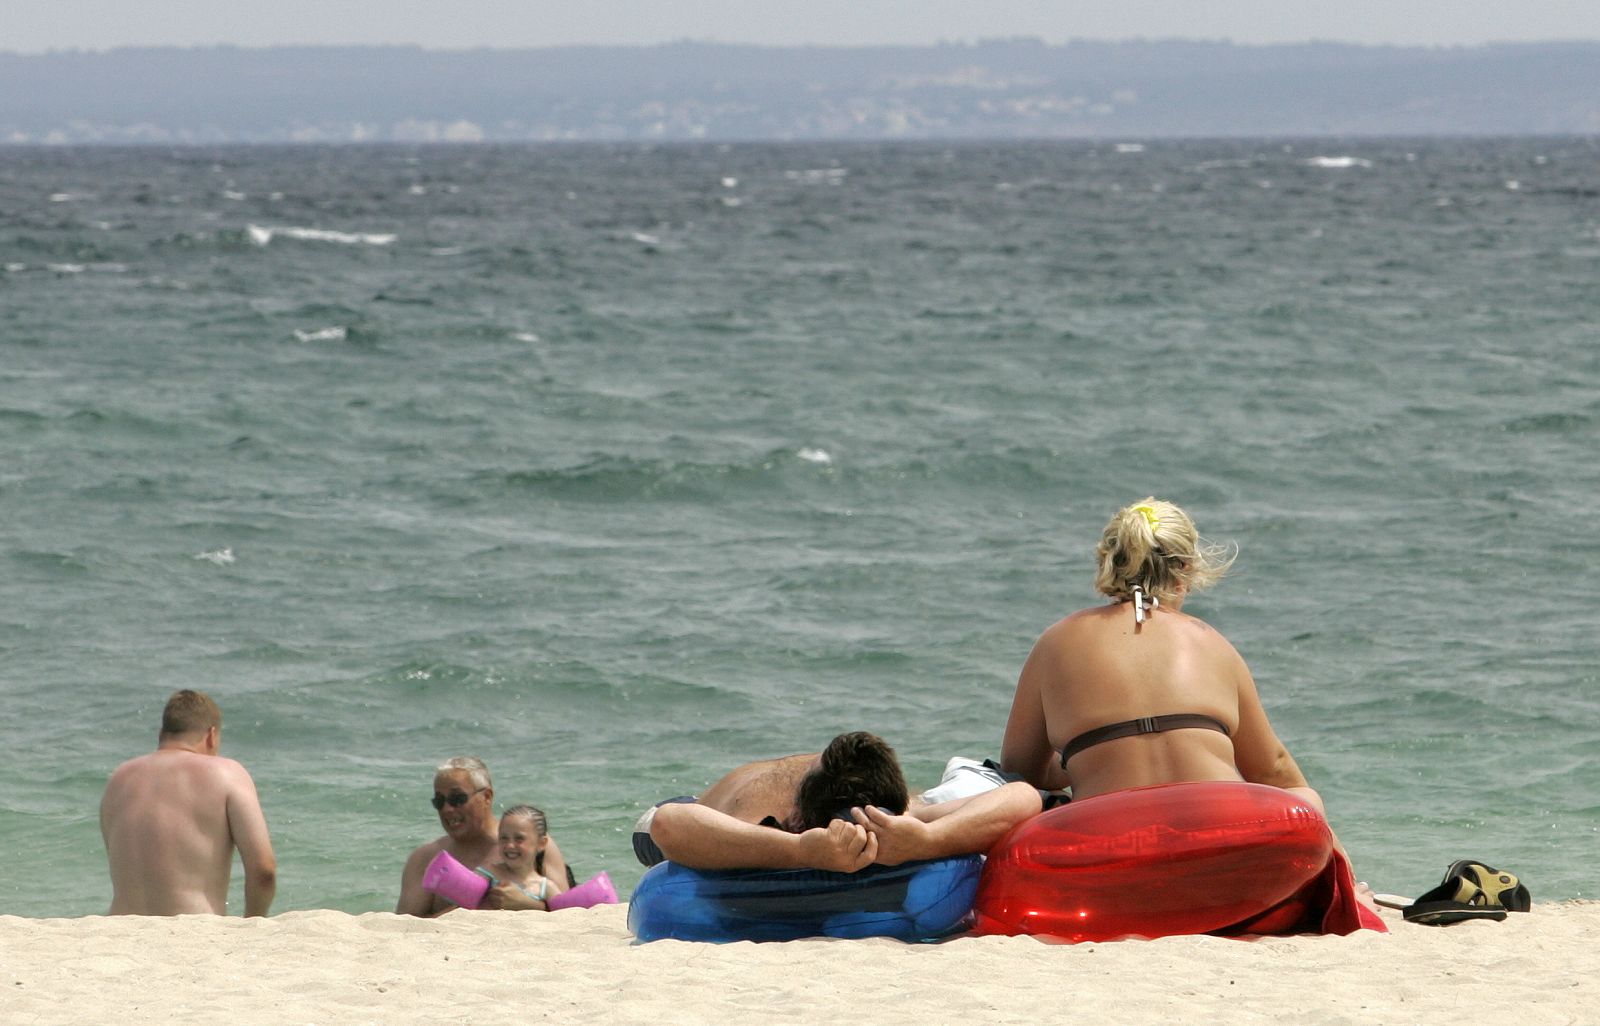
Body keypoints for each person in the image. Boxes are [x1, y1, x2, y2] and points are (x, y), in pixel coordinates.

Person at [998, 497, 1366, 880]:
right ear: (1187, 568)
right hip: (1225, 864)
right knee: (1306, 799)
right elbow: (1273, 770)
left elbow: (1019, 770)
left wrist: (1084, 757)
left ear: (1109, 560)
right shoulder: (1211, 642)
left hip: (1112, 864)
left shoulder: (1055, 643)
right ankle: (1348, 886)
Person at [637, 731, 1042, 872]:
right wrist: (800, 851)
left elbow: (1022, 796)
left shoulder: (887, 810)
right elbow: (668, 824)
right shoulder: (763, 818)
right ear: (799, 819)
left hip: (824, 779)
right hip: (703, 802)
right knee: (647, 829)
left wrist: (928, 839)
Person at [100, 689, 277, 916]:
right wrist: (252, 924)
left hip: (120, 933)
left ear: (162, 734)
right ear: (211, 736)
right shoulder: (226, 774)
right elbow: (264, 872)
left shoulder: (119, 778)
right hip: (193, 928)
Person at [395, 756, 570, 916]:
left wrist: (530, 905)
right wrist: (471, 908)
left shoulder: (532, 845)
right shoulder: (425, 858)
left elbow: (569, 914)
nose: (447, 809)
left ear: (487, 796)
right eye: (439, 801)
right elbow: (406, 928)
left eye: (458, 799)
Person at [475, 804, 568, 911]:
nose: (510, 845)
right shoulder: (489, 873)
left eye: (519, 838)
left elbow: (563, 916)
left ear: (541, 844)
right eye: (504, 838)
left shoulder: (545, 887)